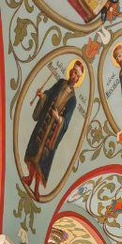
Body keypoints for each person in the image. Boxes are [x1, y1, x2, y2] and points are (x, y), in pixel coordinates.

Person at [23, 59, 84, 200]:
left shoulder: (73, 100)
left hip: (52, 133)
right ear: (70, 72)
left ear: (78, 79)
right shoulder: (61, 82)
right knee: (34, 151)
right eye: (73, 72)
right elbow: (49, 93)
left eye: (77, 75)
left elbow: (66, 121)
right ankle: (29, 178)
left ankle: (37, 188)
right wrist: (42, 96)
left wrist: (58, 118)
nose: (74, 76)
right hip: (44, 122)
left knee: (42, 159)